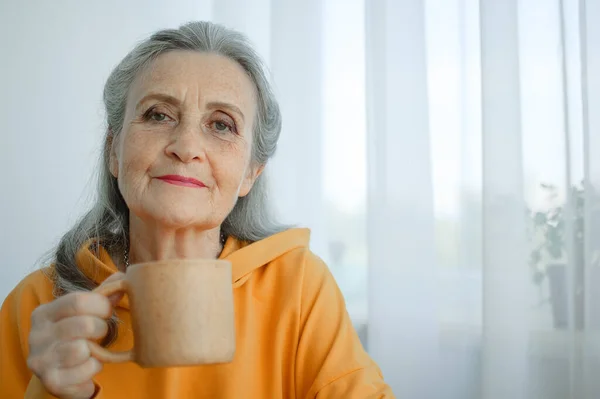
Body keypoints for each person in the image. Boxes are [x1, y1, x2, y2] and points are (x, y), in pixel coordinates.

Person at [0, 21, 394, 398]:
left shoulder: (300, 288)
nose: (186, 147)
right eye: (158, 114)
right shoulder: (36, 303)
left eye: (222, 125)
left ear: (250, 175)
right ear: (113, 151)